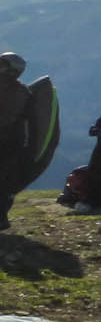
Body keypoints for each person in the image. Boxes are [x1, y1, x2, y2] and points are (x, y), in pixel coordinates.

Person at [0, 52, 31, 231]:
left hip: (9, 143)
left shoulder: (19, 92)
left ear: (13, 71)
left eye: (2, 65)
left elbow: (9, 117)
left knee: (3, 181)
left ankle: (1, 218)